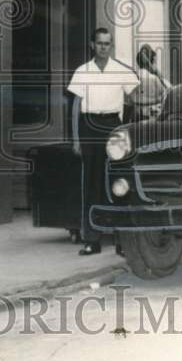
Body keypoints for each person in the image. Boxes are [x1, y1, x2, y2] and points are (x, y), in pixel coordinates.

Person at [66, 27, 139, 256]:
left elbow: (136, 98)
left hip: (112, 127)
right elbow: (76, 107)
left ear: (112, 46)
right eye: (99, 43)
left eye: (107, 43)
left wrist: (127, 128)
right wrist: (77, 139)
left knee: (116, 182)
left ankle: (121, 242)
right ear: (92, 45)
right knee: (91, 184)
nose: (103, 47)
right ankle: (92, 240)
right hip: (89, 127)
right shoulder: (82, 71)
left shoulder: (121, 71)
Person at [132, 44, 171, 121]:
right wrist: (157, 72)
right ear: (152, 62)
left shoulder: (133, 78)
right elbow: (170, 91)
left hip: (135, 119)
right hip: (151, 119)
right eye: (155, 62)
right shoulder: (155, 79)